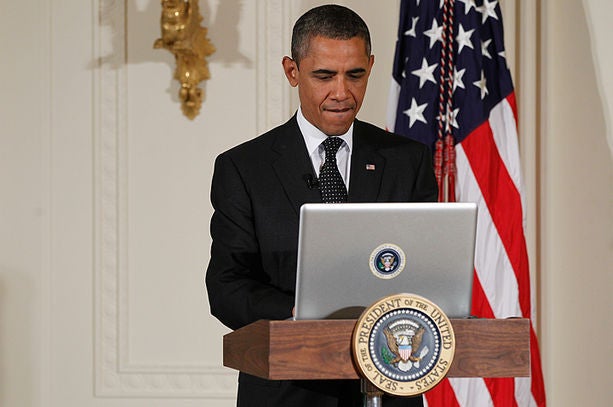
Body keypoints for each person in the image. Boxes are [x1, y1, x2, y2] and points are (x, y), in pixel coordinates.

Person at [206, 4, 437, 406]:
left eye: (355, 75)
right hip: (286, 391)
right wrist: (301, 312)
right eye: (324, 76)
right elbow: (227, 286)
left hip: (389, 382)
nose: (342, 93)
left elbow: (428, 270)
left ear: (371, 67)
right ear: (292, 71)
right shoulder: (243, 168)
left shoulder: (407, 160)